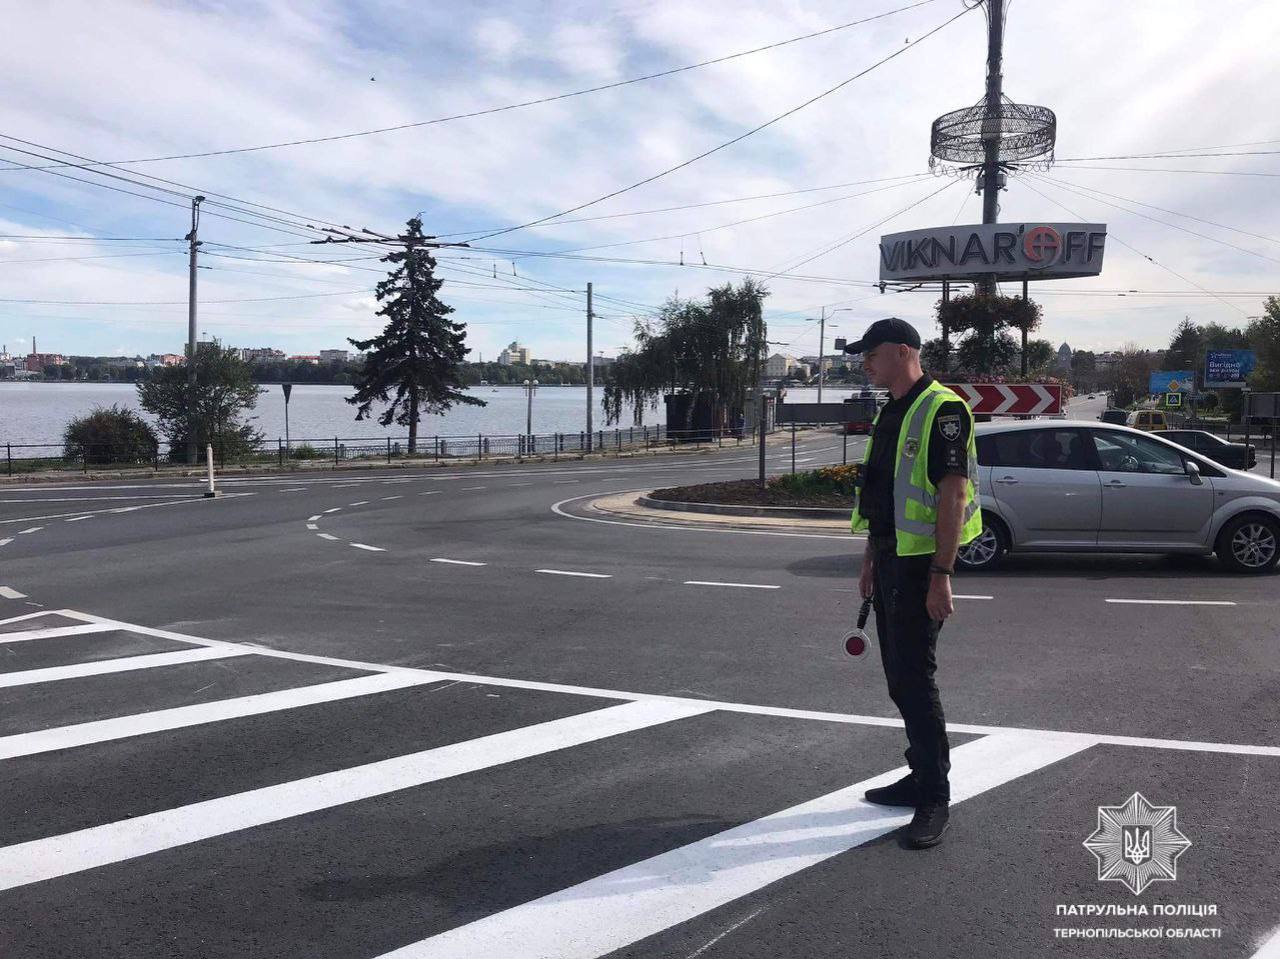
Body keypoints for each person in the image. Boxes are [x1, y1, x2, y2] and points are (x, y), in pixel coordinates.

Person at [844, 318, 981, 849]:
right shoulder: (893, 410)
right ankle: (918, 776)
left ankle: (934, 798)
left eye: (871, 354)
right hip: (891, 559)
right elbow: (882, 496)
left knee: (915, 680)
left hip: (924, 566)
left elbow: (953, 497)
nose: (864, 363)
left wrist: (942, 576)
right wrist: (869, 558)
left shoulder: (943, 409)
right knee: (899, 678)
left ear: (903, 351)